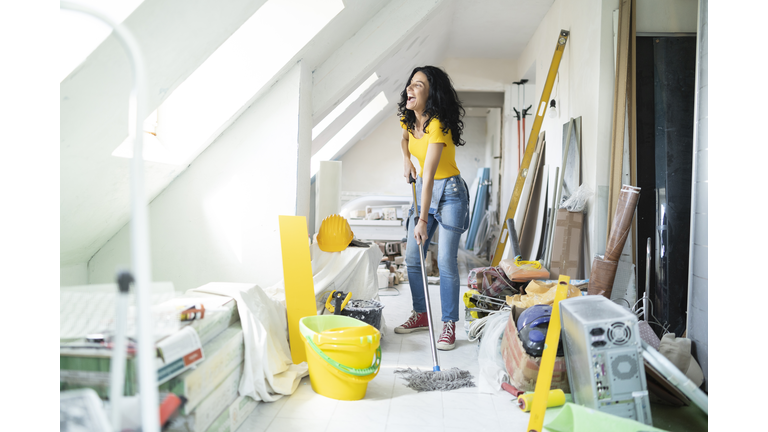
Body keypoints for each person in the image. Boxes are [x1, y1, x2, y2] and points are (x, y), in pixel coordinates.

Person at [394, 66, 470, 351]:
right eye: (410, 84)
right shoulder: (407, 117)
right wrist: (406, 160)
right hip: (425, 188)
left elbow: (429, 178)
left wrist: (422, 220)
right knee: (413, 257)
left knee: (447, 262)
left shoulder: (438, 125)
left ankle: (448, 323)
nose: (410, 89)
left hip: (449, 192)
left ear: (431, 93)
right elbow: (404, 140)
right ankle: (422, 315)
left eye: (419, 85)